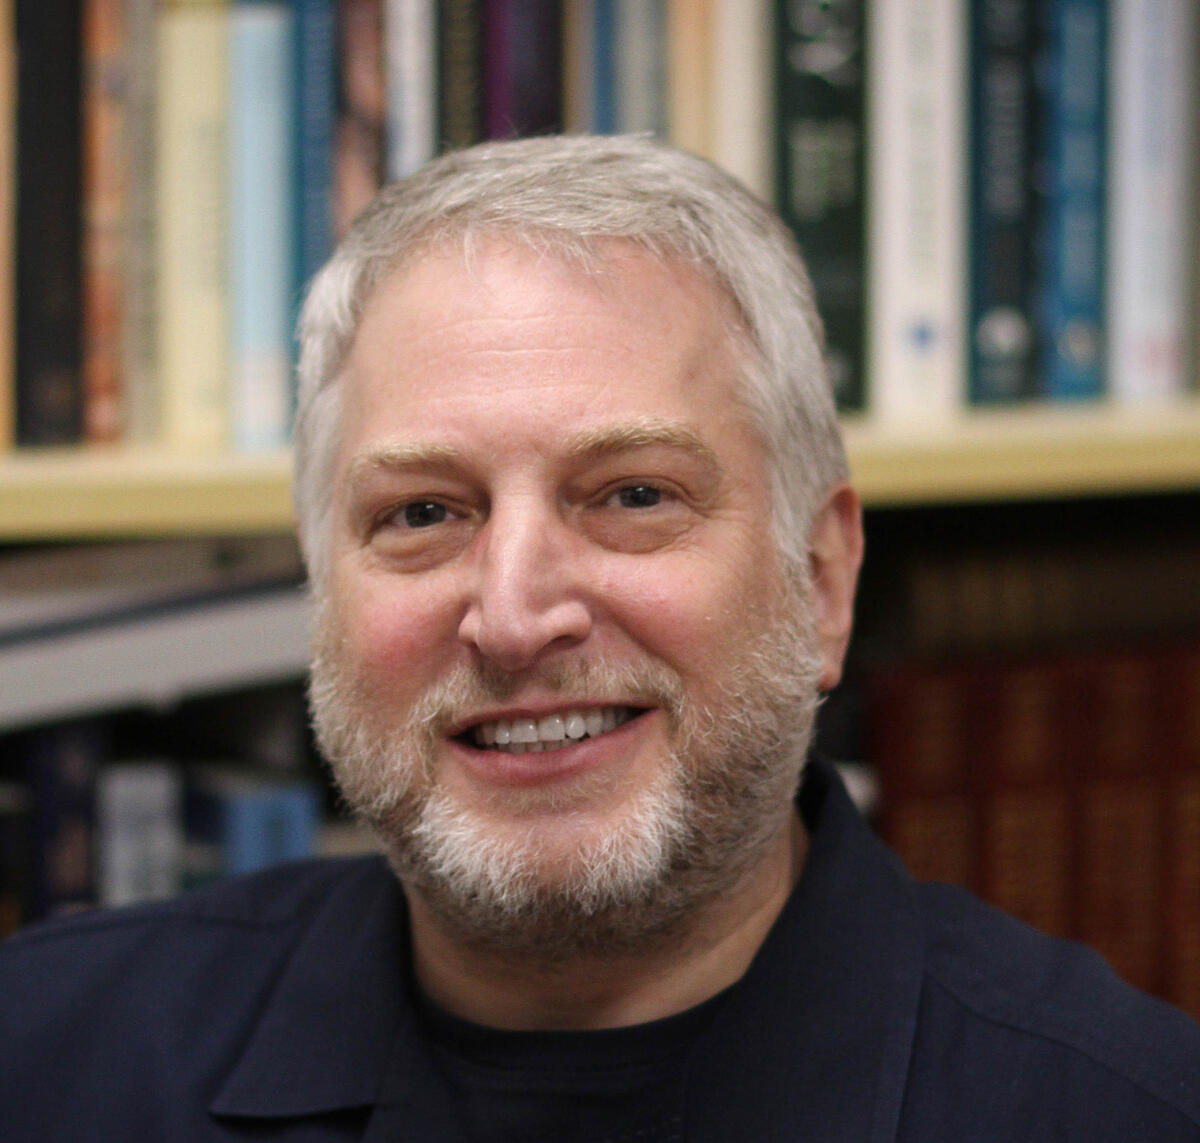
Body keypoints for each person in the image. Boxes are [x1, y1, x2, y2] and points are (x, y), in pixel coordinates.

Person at [3, 135, 1199, 1141]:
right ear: (325, 595)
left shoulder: (1124, 1108)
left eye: (632, 495)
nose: (517, 617)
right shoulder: (44, 1064)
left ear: (822, 584)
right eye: (422, 514)